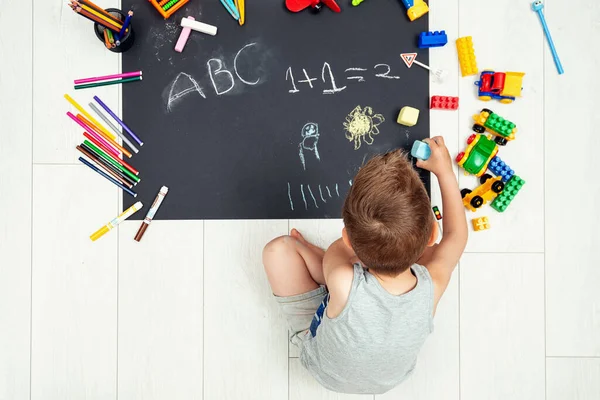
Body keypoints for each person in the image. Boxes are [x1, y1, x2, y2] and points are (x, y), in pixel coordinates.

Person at [262, 137, 468, 394]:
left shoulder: (342, 278)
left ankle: (346, 260)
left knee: (278, 250)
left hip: (323, 367)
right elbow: (457, 236)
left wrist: (346, 252)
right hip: (387, 381)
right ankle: (383, 257)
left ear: (347, 238)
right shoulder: (433, 284)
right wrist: (444, 171)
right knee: (433, 256)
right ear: (430, 234)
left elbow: (336, 255)